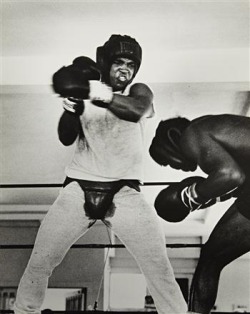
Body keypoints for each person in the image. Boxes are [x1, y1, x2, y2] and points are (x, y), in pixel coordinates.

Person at [13, 35, 187, 314]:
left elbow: (137, 110)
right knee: (40, 261)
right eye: (119, 62)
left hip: (126, 193)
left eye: (131, 65)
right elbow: (66, 137)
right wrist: (72, 103)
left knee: (158, 267)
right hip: (78, 189)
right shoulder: (86, 93)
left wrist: (92, 90)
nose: (125, 70)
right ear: (106, 64)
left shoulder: (138, 91)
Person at [149, 114, 250, 314]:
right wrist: (212, 195)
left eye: (168, 163)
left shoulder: (192, 133)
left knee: (211, 258)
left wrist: (189, 197)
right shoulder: (219, 131)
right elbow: (240, 180)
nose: (176, 168)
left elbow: (230, 175)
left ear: (172, 136)